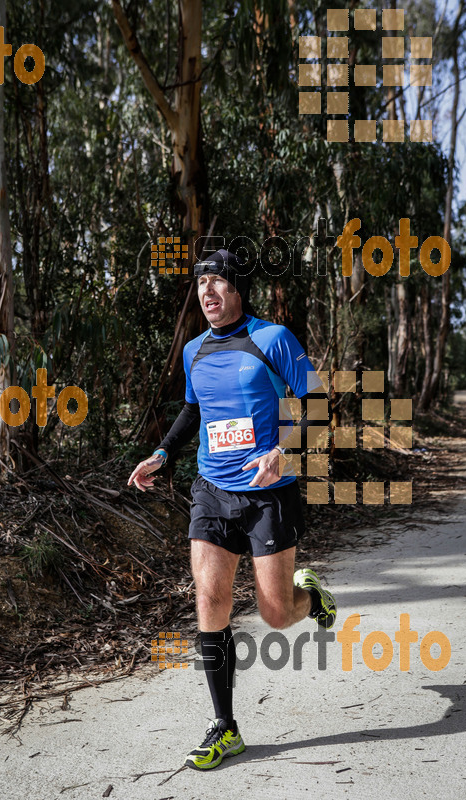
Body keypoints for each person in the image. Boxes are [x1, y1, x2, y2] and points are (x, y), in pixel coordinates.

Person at [128, 249, 336, 771]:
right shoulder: (194, 350)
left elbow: (317, 402)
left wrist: (285, 450)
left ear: (238, 289)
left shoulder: (273, 339)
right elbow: (194, 410)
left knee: (274, 613)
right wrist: (161, 453)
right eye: (202, 285)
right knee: (211, 599)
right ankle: (226, 727)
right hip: (212, 489)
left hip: (270, 492)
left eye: (218, 282)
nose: (208, 293)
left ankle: (310, 598)